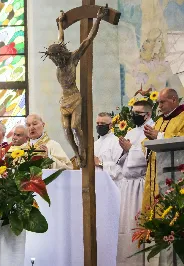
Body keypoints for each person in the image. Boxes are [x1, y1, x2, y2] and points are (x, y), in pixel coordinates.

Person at [42, 6, 108, 168]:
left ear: (60, 54)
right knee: (66, 130)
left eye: (55, 59)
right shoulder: (59, 64)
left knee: (75, 127)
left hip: (75, 97)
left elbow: (88, 40)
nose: (54, 62)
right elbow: (61, 37)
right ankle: (77, 154)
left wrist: (98, 19)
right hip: (64, 99)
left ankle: (83, 151)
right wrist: (59, 23)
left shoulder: (72, 59)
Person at [116, 101, 154, 266]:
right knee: (126, 226)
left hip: (141, 185)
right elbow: (122, 161)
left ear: (148, 114)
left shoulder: (152, 130)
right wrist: (125, 150)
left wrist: (131, 148)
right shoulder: (131, 131)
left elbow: (147, 157)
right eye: (132, 112)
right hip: (128, 186)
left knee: (137, 224)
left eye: (138, 113)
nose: (133, 116)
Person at [142, 88, 184, 211]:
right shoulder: (159, 120)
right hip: (155, 171)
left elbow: (181, 139)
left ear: (174, 100)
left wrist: (158, 136)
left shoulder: (182, 117)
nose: (159, 106)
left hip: (176, 171)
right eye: (158, 103)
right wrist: (148, 141)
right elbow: (146, 143)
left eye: (162, 102)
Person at [93, 112, 122, 184]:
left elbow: (119, 168)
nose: (99, 126)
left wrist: (100, 163)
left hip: (111, 184)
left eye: (102, 124)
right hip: (96, 183)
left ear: (110, 125)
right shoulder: (95, 144)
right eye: (98, 123)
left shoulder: (116, 142)